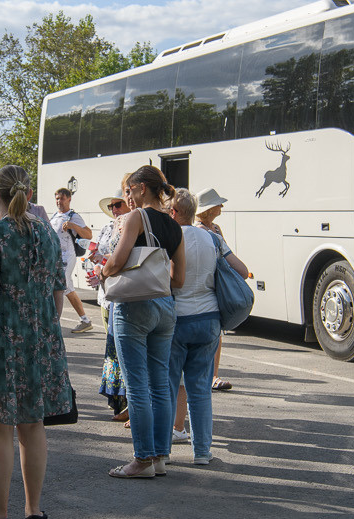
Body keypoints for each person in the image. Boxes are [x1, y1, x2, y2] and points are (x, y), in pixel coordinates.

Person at [0, 164, 73, 519]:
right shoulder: (47, 234)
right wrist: (44, 332)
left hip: (0, 345)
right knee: (32, 424)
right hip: (39, 342)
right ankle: (34, 509)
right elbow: (58, 294)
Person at [104, 165, 187, 479]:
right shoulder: (175, 226)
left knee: (136, 387)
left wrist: (103, 271)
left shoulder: (137, 217)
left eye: (129, 189)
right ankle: (160, 457)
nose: (127, 196)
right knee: (159, 385)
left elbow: (119, 258)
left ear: (140, 188)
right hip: (165, 305)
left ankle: (141, 460)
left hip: (134, 306)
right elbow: (178, 279)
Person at [168, 190, 251, 465]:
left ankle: (163, 451)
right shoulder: (213, 238)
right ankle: (202, 452)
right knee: (200, 390)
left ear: (173, 212)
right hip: (208, 319)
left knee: (169, 387)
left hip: (177, 319)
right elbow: (241, 270)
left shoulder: (170, 238)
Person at [87, 191, 130, 421]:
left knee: (124, 353)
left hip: (123, 294)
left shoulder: (131, 228)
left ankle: (131, 404)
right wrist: (95, 269)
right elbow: (95, 256)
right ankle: (122, 403)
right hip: (106, 295)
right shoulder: (106, 229)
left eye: (118, 205)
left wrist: (103, 267)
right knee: (113, 352)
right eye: (112, 206)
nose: (115, 210)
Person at [192, 187, 239, 393]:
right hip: (206, 283)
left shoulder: (217, 228)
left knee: (218, 331)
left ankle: (213, 374)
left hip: (217, 282)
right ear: (209, 209)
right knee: (209, 332)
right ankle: (207, 375)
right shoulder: (198, 230)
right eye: (218, 204)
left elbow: (225, 252)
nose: (222, 206)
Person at [49, 188, 95, 333]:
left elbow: (88, 234)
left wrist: (73, 226)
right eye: (57, 198)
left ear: (69, 199)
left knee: (58, 288)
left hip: (67, 257)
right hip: (55, 257)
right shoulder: (55, 216)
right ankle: (85, 320)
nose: (59, 201)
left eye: (62, 198)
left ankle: (53, 323)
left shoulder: (73, 216)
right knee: (68, 289)